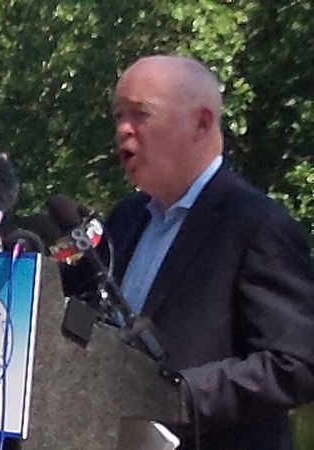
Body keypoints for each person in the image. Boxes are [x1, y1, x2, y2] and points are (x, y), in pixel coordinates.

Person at [103, 54, 314, 448]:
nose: (124, 131)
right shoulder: (126, 219)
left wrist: (179, 396)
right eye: (118, 116)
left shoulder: (255, 224)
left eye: (140, 114)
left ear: (200, 122)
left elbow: (296, 364)